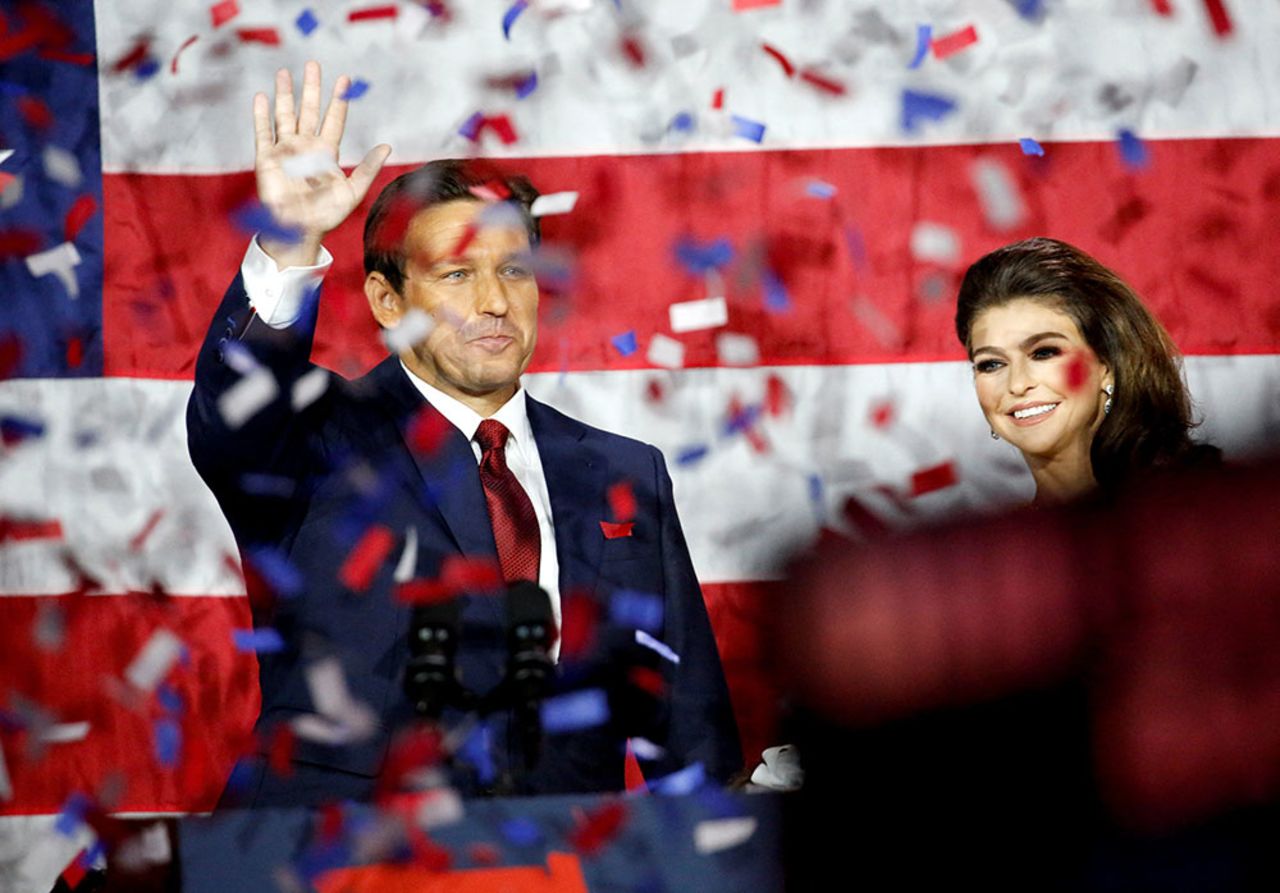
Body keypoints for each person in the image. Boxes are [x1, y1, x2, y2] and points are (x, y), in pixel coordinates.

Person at [187, 61, 740, 804]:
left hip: (565, 870)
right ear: (387, 300)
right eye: (454, 275)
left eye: (514, 270)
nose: (493, 302)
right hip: (341, 870)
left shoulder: (626, 473)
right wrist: (287, 245)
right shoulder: (311, 440)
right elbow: (231, 415)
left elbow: (690, 733)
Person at [955, 237, 1218, 504]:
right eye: (992, 364)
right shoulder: (999, 542)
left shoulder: (1201, 505)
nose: (1018, 384)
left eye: (1044, 352)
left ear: (1107, 364)